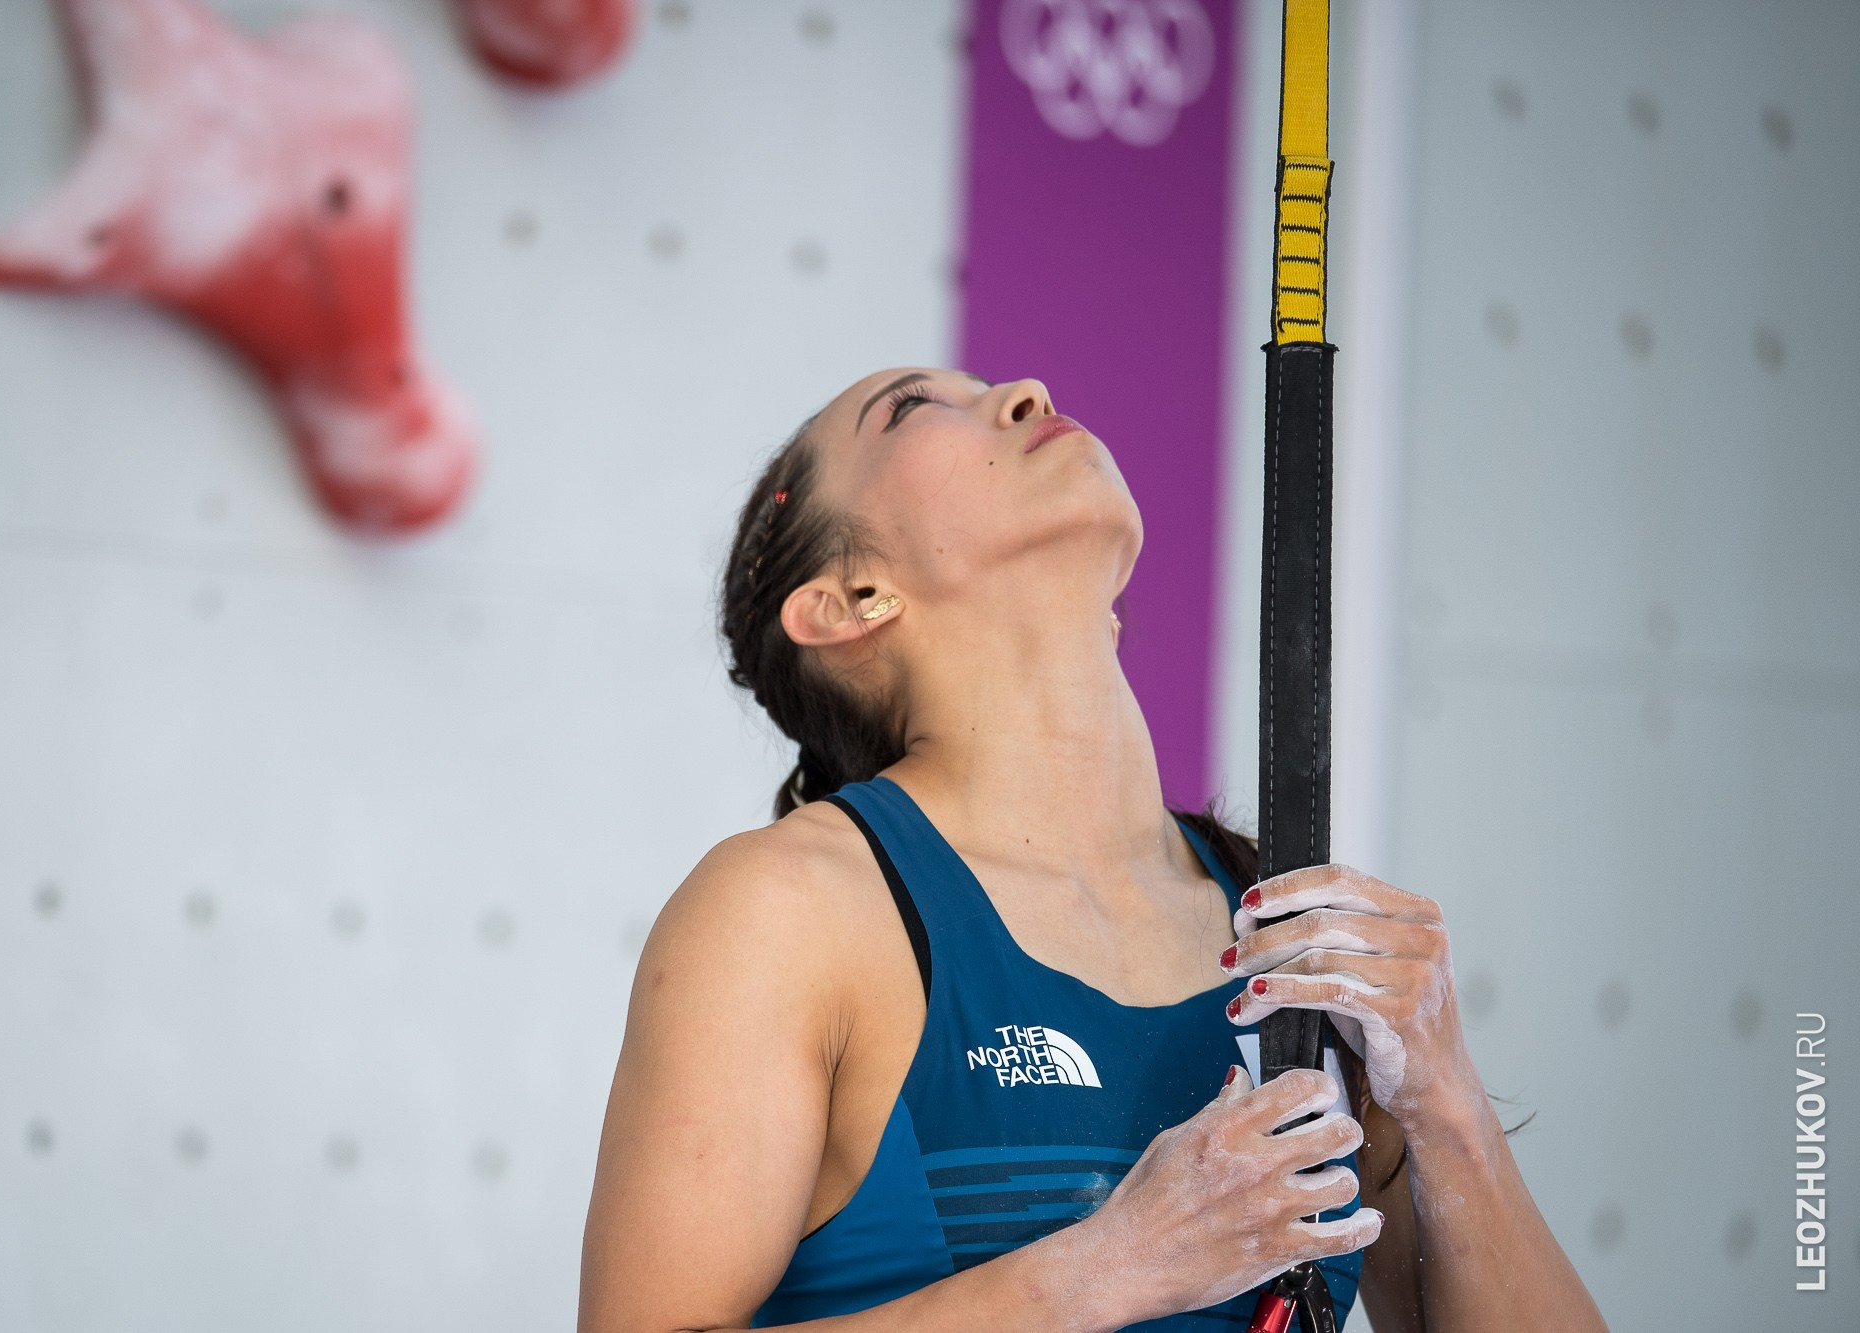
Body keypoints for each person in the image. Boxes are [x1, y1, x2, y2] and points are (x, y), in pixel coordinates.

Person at [579, 369, 1605, 1331]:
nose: (1024, 391)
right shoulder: (788, 911)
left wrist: (1446, 1101)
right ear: (849, 601)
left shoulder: (1283, 934)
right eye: (909, 409)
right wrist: (1099, 1268)